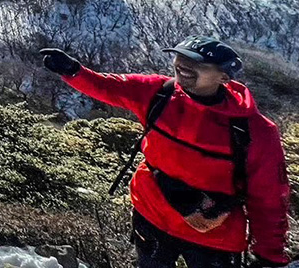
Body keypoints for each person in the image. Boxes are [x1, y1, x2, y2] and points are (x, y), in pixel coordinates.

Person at [40, 37, 291, 268]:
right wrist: (73, 71)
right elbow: (110, 87)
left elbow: (269, 198)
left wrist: (270, 255)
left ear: (224, 77)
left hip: (214, 237)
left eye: (197, 63)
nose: (182, 64)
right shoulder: (160, 93)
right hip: (151, 215)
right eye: (180, 56)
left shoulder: (255, 131)